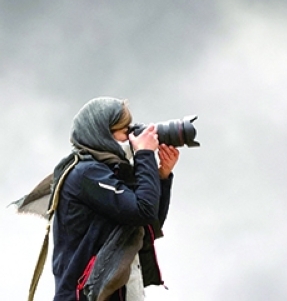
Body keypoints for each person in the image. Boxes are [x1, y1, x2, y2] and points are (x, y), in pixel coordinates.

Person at [37, 97, 180, 301]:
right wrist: (144, 154)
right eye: (124, 131)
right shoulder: (87, 175)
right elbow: (143, 211)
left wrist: (162, 176)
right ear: (102, 134)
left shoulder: (108, 172)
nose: (129, 139)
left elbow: (147, 224)